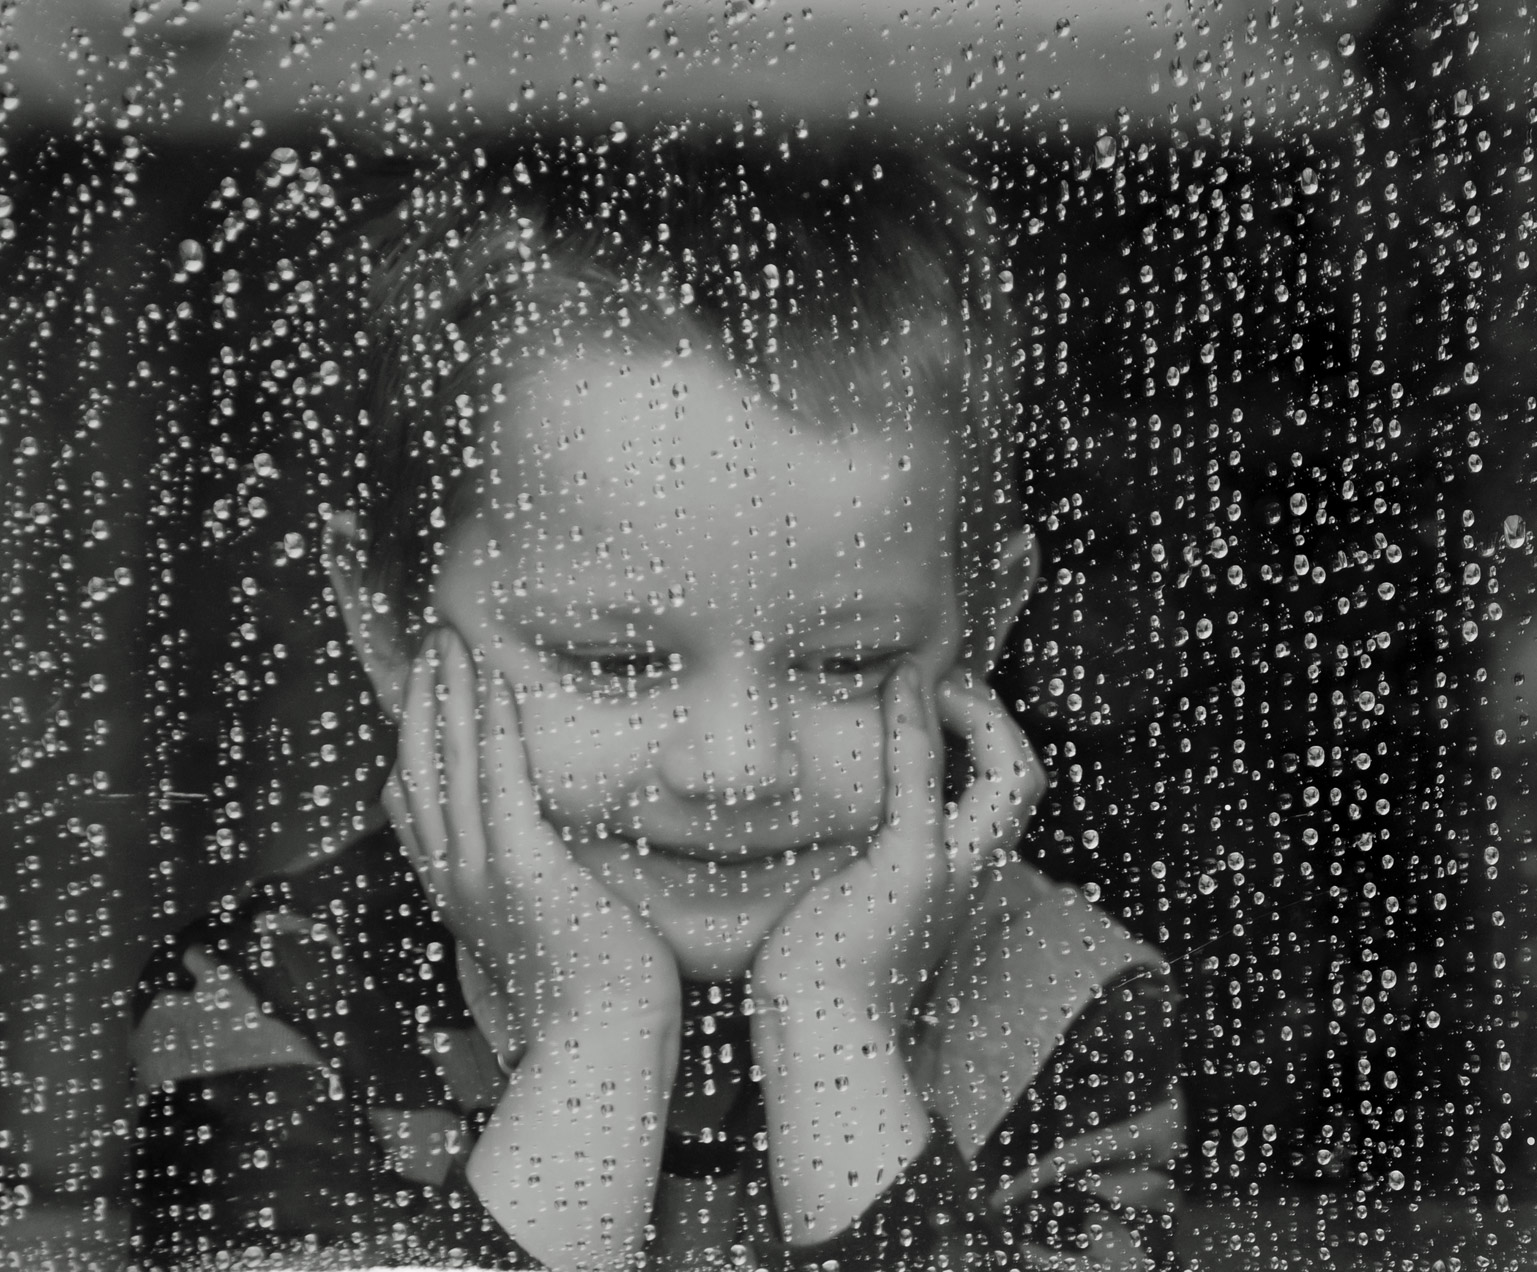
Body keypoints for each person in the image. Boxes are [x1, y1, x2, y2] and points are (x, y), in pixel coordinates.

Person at [124, 134, 1184, 1271]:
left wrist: (833, 1031)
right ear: (388, 626)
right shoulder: (272, 994)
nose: (735, 767)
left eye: (848, 664)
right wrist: (595, 1044)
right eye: (610, 660)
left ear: (980, 630)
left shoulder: (1066, 1009)